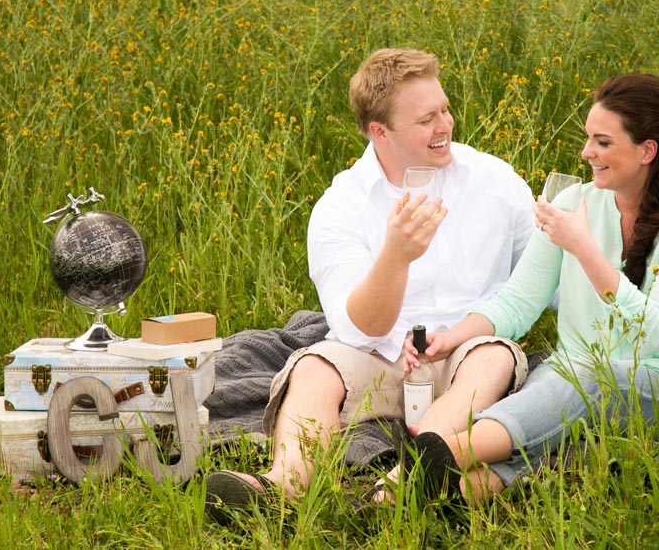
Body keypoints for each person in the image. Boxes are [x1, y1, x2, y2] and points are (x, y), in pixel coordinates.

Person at [203, 48, 535, 522]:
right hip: (379, 355)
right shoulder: (341, 205)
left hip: (466, 349)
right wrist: (394, 259)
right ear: (380, 132)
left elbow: (537, 285)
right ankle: (284, 488)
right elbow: (358, 328)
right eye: (426, 119)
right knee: (315, 363)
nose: (445, 125)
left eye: (444, 109)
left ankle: (409, 482)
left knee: (495, 356)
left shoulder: (494, 181)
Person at [395, 73, 659, 504]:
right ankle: (433, 498)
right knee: (553, 415)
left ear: (647, 150)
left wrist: (584, 249)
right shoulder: (573, 204)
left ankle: (439, 458)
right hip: (575, 376)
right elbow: (518, 302)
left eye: (603, 142)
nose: (587, 152)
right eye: (588, 138)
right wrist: (449, 339)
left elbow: (656, 331)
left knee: (585, 379)